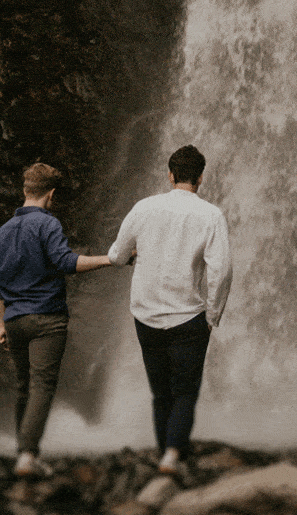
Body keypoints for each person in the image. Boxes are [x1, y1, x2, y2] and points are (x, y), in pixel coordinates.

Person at [108, 144, 231, 476]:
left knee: (160, 392)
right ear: (201, 177)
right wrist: (212, 316)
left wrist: (135, 255)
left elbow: (118, 255)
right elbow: (221, 270)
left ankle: (166, 452)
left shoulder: (144, 208)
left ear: (170, 174)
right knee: (185, 392)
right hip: (188, 316)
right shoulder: (211, 214)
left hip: (145, 314)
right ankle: (172, 456)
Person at [0, 161, 114, 477]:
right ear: (52, 194)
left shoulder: (2, 232)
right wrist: (110, 259)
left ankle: (22, 451)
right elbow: (66, 262)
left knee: (23, 387)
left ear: (24, 190)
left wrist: (2, 324)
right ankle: (27, 456)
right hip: (47, 319)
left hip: (16, 320)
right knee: (42, 386)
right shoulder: (48, 224)